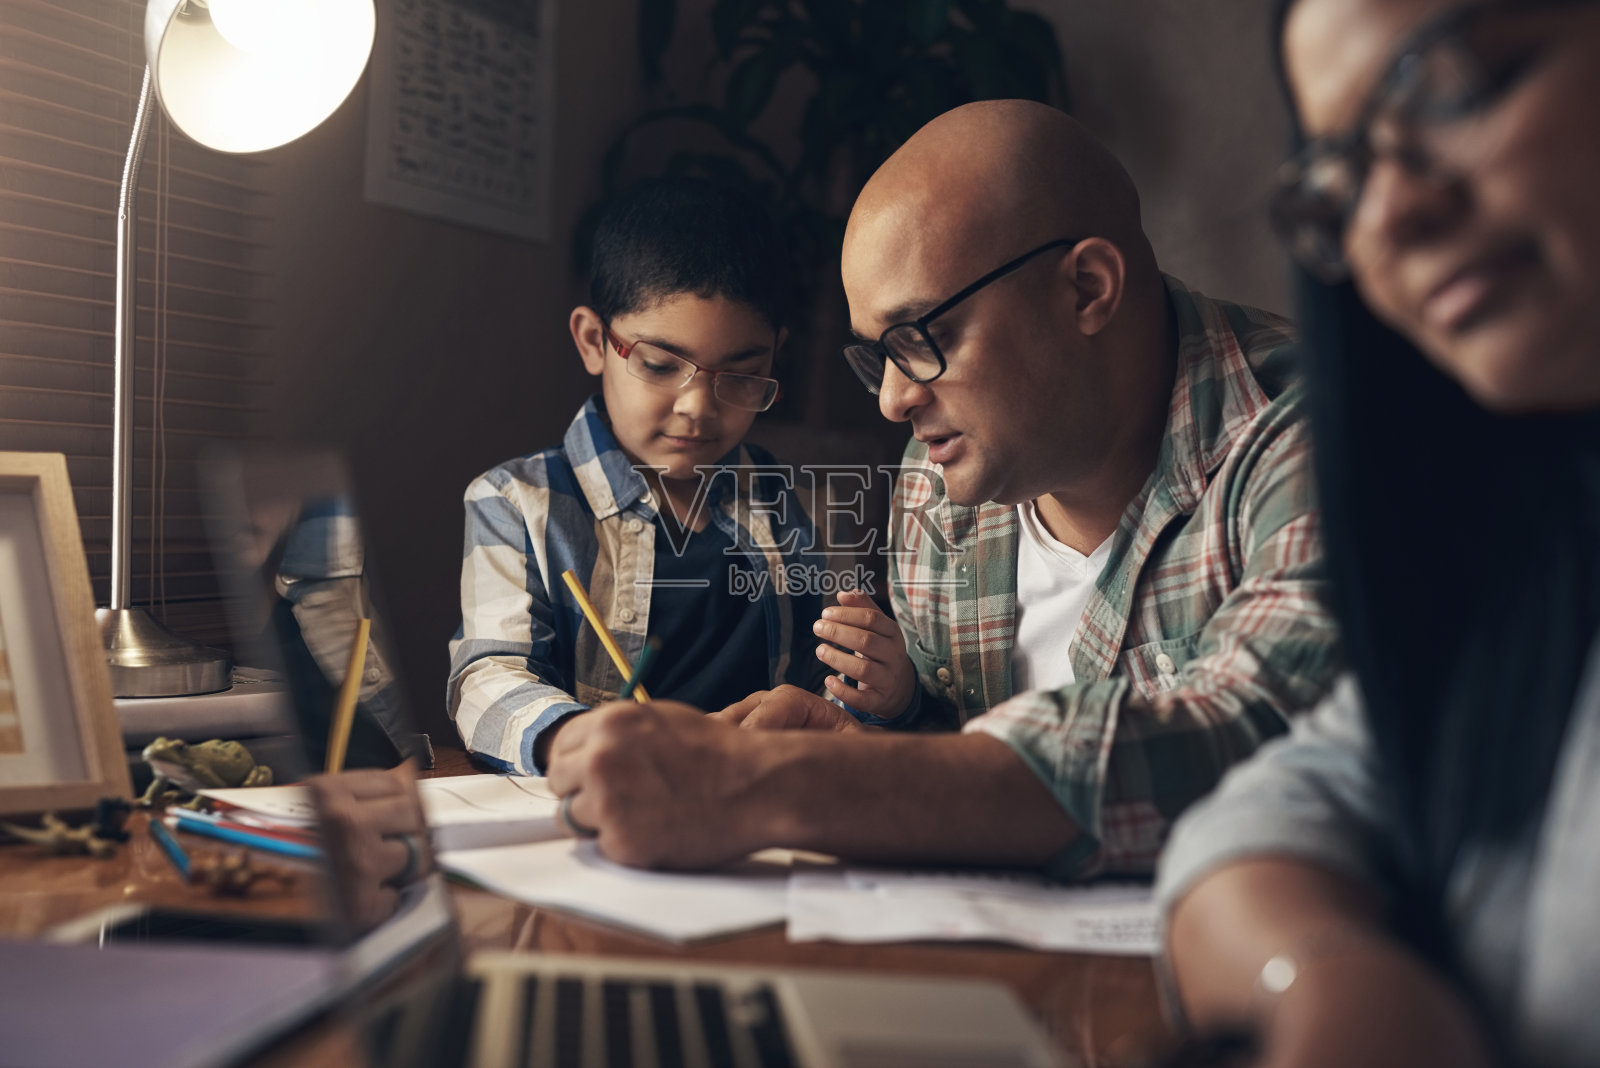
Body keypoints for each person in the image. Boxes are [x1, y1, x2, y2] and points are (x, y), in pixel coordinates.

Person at [544, 101, 1342, 878]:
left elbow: (1260, 740)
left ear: (1088, 289)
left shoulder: (1322, 440)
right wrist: (868, 754)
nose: (892, 400)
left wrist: (772, 786)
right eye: (877, 356)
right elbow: (951, 746)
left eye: (922, 337)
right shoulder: (934, 485)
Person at [1157, 1, 1600, 1065]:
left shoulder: (1270, 440)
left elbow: (1230, 717)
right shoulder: (1538, 556)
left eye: (1451, 85)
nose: (1390, 213)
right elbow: (1294, 791)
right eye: (1339, 176)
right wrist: (1323, 975)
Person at [446, 178, 828, 776]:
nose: (698, 406)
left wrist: (882, 691)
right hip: (608, 808)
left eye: (742, 374)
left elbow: (822, 679)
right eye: (659, 365)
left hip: (759, 801)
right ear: (595, 341)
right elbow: (487, 678)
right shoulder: (517, 502)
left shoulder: (793, 501)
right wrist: (584, 742)